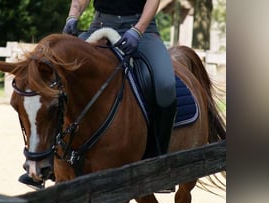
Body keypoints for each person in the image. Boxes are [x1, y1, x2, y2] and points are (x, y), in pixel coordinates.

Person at [19, 0, 176, 191]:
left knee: (165, 85)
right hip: (100, 25)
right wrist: (72, 17)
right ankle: (48, 162)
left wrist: (138, 29)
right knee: (57, 80)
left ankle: (155, 163)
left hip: (142, 30)